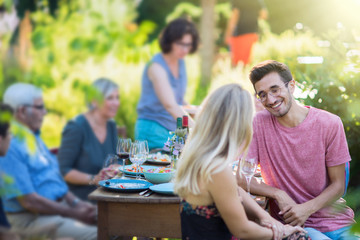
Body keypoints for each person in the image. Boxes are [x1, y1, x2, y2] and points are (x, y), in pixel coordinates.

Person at [174, 84, 309, 240]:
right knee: (299, 237)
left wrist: (266, 218)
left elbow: (235, 190)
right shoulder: (217, 170)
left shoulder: (200, 158)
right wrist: (280, 233)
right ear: (238, 124)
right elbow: (243, 230)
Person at [240, 60, 357, 240]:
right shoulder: (258, 124)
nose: (270, 100)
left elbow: (338, 185)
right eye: (262, 95)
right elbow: (242, 177)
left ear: (292, 86)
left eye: (275, 89)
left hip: (339, 223)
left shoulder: (330, 123)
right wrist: (278, 193)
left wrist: (306, 209)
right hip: (297, 228)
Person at [0, 83, 97, 240]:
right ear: (22, 111)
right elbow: (29, 201)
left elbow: (54, 181)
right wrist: (74, 213)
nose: (44, 112)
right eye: (40, 107)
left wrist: (77, 204)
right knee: (103, 233)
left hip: (59, 210)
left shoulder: (32, 136)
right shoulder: (9, 145)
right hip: (33, 219)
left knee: (118, 221)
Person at [135, 18, 199, 150]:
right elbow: (170, 105)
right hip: (153, 129)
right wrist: (198, 131)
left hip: (172, 128)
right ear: (169, 41)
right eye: (181, 44)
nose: (185, 49)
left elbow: (177, 100)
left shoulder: (180, 62)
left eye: (188, 45)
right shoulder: (156, 67)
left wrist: (198, 111)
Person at [57, 78, 120, 201]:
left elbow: (116, 160)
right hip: (81, 199)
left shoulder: (111, 125)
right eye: (110, 98)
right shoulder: (76, 127)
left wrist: (115, 168)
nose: (116, 103)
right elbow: (63, 171)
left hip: (107, 193)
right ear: (94, 101)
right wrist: (93, 179)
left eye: (117, 97)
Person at [225, 0, 268, 67]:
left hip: (239, 33)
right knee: (247, 62)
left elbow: (235, 15)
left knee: (237, 63)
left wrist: (228, 34)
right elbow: (264, 14)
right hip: (252, 32)